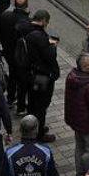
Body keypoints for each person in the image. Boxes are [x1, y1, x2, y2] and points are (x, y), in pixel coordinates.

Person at [24, 10, 60, 142]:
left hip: (30, 73)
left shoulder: (26, 28)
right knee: (41, 105)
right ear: (44, 20)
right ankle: (39, 134)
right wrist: (53, 46)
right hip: (41, 76)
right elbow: (49, 56)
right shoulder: (39, 36)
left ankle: (31, 127)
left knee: (33, 102)